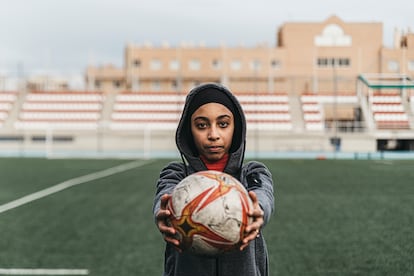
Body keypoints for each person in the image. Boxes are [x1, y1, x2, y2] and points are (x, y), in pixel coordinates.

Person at [153, 82, 275, 276]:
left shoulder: (252, 172)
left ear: (236, 127)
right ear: (188, 130)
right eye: (202, 125)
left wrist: (256, 211)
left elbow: (263, 195)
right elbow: (164, 195)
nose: (213, 135)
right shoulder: (177, 173)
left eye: (223, 124)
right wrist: (165, 212)